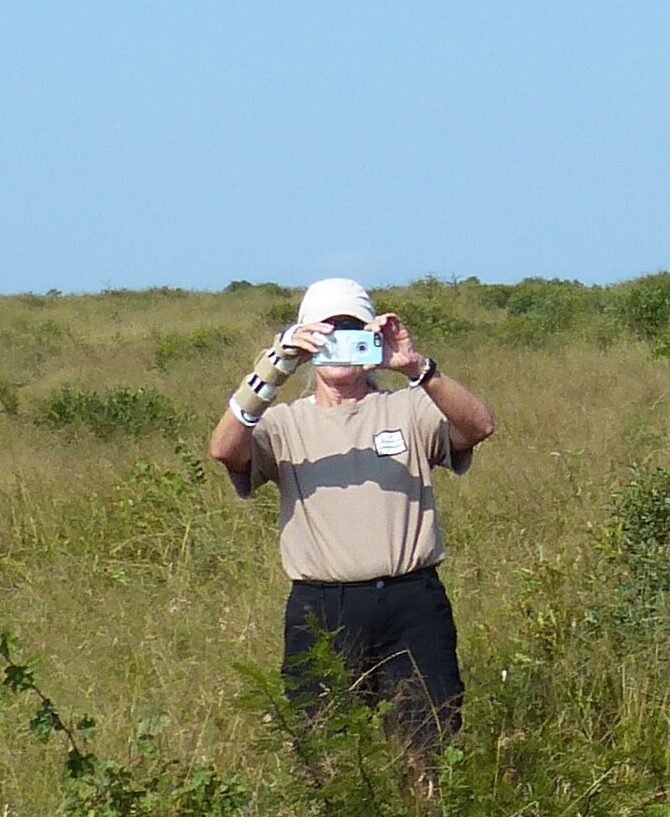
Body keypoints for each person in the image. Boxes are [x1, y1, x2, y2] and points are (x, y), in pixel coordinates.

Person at [206, 277, 498, 763]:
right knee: (327, 752)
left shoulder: (408, 408)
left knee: (429, 742)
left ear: (373, 336)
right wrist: (271, 370)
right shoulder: (284, 424)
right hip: (321, 608)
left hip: (412, 603)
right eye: (325, 332)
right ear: (304, 339)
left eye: (352, 331)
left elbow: (479, 426)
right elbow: (223, 449)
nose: (339, 344)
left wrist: (417, 368)